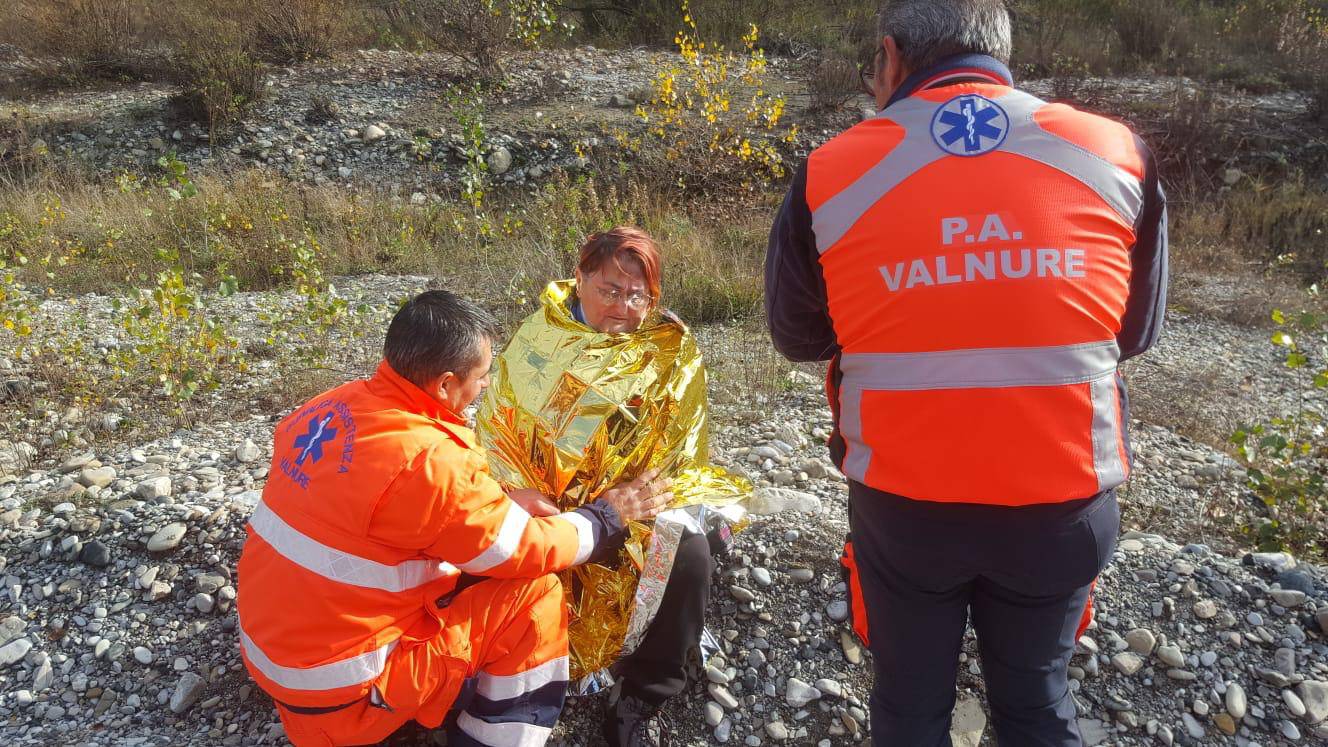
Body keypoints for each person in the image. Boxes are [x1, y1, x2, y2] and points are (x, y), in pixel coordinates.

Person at [764, 1, 1167, 745]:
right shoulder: (1116, 151)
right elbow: (1134, 332)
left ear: (890, 57)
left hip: (907, 507)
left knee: (910, 709)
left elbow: (796, 335)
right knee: (1038, 705)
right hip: (1063, 503)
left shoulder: (831, 169)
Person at [234, 290, 671, 747]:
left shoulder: (332, 407)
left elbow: (383, 512)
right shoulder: (431, 460)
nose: (483, 387)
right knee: (534, 597)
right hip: (346, 702)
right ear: (444, 384)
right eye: (480, 377)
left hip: (279, 666)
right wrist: (604, 518)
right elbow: (525, 551)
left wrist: (498, 501)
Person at [475, 227, 743, 747]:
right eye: (609, 290)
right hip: (541, 497)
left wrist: (630, 502)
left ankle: (644, 690)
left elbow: (681, 442)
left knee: (687, 559)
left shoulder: (670, 347)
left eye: (637, 295)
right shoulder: (540, 335)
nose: (623, 307)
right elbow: (498, 425)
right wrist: (516, 490)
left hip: (632, 501)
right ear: (580, 280)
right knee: (486, 554)